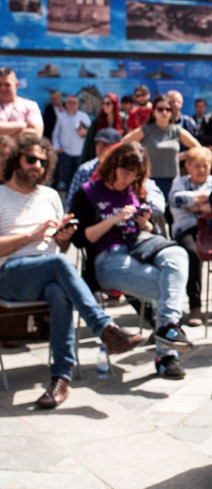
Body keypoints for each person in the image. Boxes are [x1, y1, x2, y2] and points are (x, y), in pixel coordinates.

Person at [0, 135, 145, 409]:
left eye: (42, 162)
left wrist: (62, 237)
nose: (36, 166)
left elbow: (61, 247)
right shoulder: (1, 195)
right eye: (30, 159)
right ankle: (106, 329)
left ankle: (60, 379)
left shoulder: (50, 195)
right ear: (16, 159)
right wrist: (31, 235)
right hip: (10, 275)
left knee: (59, 289)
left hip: (49, 271)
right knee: (60, 266)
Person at [70, 142, 194, 379]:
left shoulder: (136, 189)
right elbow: (80, 239)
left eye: (134, 174)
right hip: (107, 256)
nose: (128, 179)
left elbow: (147, 229)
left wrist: (143, 222)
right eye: (125, 172)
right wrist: (114, 219)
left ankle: (167, 328)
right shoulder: (89, 192)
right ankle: (166, 355)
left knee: (178, 254)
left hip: (141, 245)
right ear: (114, 165)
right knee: (166, 284)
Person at [169, 146, 212, 327]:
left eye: (205, 166)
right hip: (187, 229)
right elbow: (176, 200)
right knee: (192, 252)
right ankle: (195, 305)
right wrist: (208, 200)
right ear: (188, 166)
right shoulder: (180, 182)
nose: (201, 170)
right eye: (197, 166)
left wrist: (196, 204)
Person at [122, 94, 201, 198]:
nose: (164, 112)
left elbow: (198, 148)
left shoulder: (177, 130)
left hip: (173, 181)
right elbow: (123, 143)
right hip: (149, 181)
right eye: (160, 109)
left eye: (168, 109)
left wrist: (181, 156)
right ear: (154, 111)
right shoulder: (146, 130)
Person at [66, 127, 121, 211]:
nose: (100, 148)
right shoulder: (85, 169)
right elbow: (72, 200)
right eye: (98, 144)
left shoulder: (123, 171)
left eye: (105, 145)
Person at [51, 94, 91, 191]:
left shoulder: (83, 116)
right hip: (66, 153)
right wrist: (57, 146)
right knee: (67, 178)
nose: (72, 104)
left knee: (80, 178)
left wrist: (85, 133)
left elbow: (91, 134)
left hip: (80, 153)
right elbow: (55, 134)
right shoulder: (61, 117)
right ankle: (69, 198)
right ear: (66, 104)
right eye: (70, 102)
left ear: (78, 104)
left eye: (74, 102)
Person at [80, 92, 126, 164]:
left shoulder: (122, 119)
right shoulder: (97, 120)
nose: (105, 106)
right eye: (103, 103)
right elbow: (89, 143)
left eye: (108, 103)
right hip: (100, 157)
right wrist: (83, 161)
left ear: (114, 104)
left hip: (117, 157)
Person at [0, 67, 43, 138]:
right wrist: (22, 125)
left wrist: (4, 132)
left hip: (21, 149)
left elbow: (37, 134)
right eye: (0, 85)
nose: (3, 88)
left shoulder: (30, 105)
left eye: (7, 85)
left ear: (16, 85)